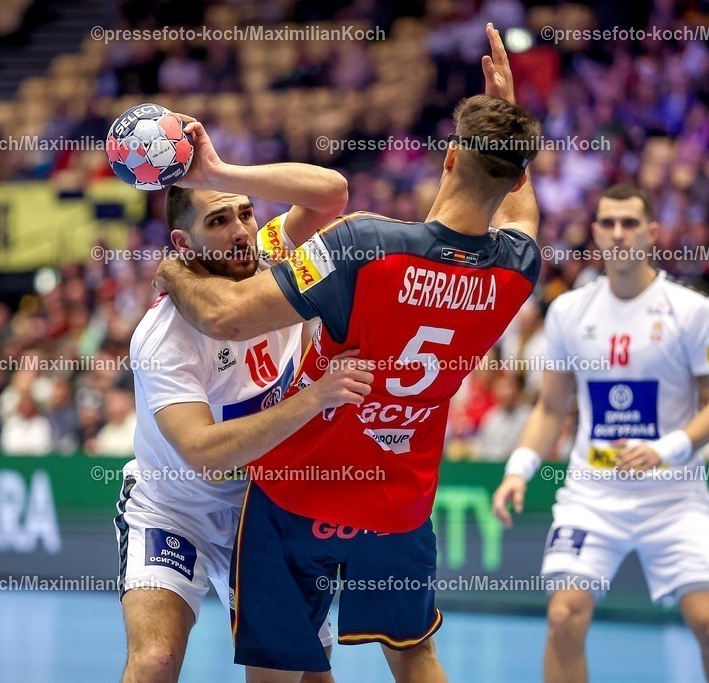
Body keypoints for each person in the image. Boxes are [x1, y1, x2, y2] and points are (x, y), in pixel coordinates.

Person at [154, 23, 540, 682]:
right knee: (415, 652)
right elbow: (521, 215)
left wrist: (170, 269)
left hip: (298, 488)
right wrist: (507, 117)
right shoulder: (517, 269)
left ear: (449, 160)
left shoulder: (366, 244)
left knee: (281, 664)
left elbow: (224, 317)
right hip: (399, 500)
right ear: (508, 177)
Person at [117, 119, 374, 682]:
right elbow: (206, 452)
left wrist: (221, 173)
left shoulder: (277, 259)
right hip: (175, 509)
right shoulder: (162, 337)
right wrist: (316, 397)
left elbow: (333, 193)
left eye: (245, 213)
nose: (241, 231)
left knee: (308, 672)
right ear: (183, 245)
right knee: (155, 660)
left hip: (265, 508)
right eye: (218, 220)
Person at [492, 183, 709, 683]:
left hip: (674, 497)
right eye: (608, 223)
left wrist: (667, 449)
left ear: (652, 233)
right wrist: (518, 470)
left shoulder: (692, 310)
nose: (618, 233)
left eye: (630, 223)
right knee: (564, 616)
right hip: (593, 494)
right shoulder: (568, 311)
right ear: (594, 233)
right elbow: (551, 407)